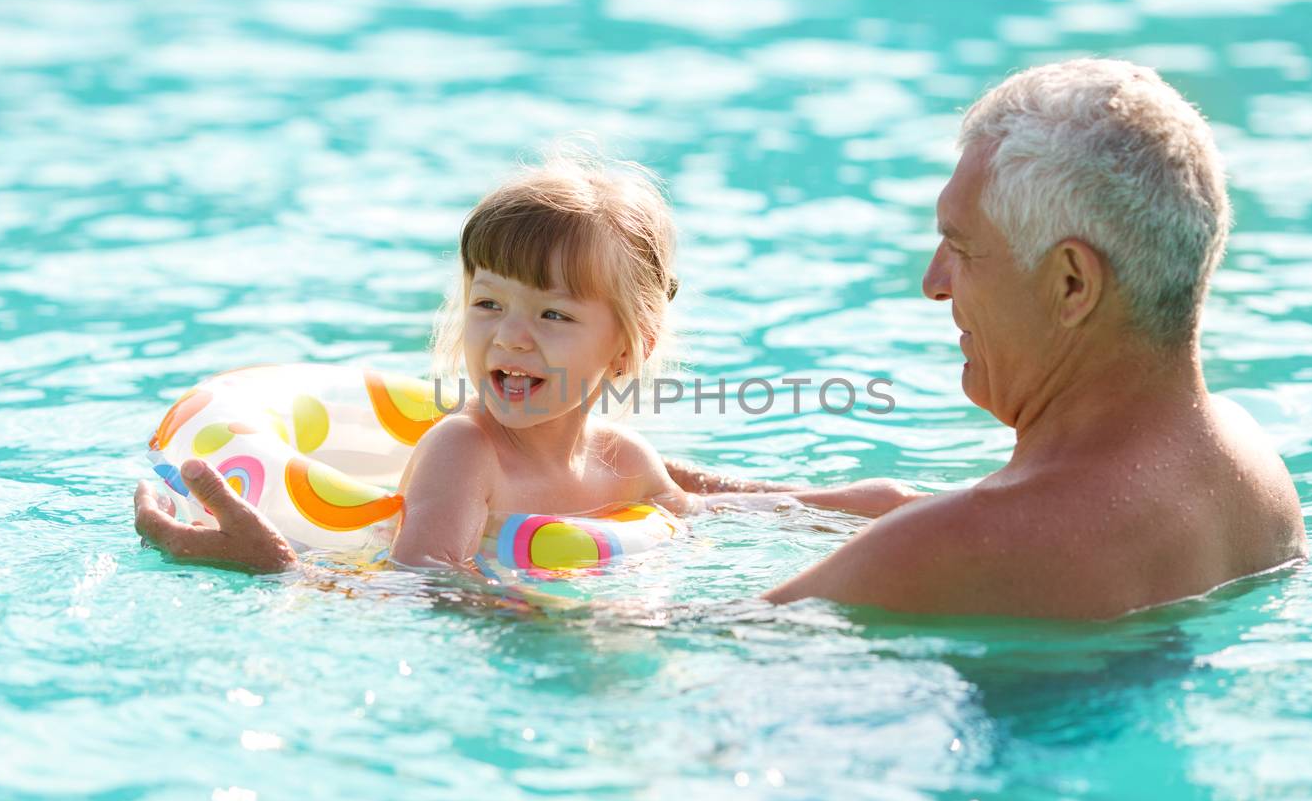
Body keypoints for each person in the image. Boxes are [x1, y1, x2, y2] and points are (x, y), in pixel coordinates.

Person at [133, 155, 915, 577]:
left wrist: (845, 500)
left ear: (629, 347)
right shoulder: (462, 454)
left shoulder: (621, 458)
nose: (511, 337)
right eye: (488, 305)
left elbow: (706, 514)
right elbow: (421, 593)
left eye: (552, 314)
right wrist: (276, 566)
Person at [755, 58, 1307, 617]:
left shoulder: (951, 549)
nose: (934, 284)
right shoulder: (1247, 467)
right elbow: (1040, 522)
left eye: (963, 249)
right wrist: (709, 495)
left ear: (1072, 284)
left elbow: (692, 652)